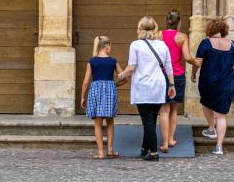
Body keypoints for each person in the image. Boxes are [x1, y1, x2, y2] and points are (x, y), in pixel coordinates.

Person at [119, 16, 176, 161]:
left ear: (140, 29)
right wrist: (172, 85)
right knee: (150, 120)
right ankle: (145, 149)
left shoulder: (136, 45)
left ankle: (154, 152)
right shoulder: (162, 45)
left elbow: (131, 68)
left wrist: (121, 75)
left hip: (143, 87)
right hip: (159, 86)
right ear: (155, 28)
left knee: (148, 121)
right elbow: (169, 67)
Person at [191, 17, 234, 156]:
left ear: (209, 30)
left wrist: (193, 74)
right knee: (221, 116)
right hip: (226, 83)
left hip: (208, 82)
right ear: (224, 30)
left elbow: (198, 62)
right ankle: (218, 147)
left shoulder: (206, 43)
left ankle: (211, 128)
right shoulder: (233, 44)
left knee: (205, 103)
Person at [158, 9, 198, 153]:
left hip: (162, 75)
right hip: (177, 75)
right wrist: (195, 63)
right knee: (174, 109)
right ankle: (170, 139)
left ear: (167, 21)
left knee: (164, 108)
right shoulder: (182, 37)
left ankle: (164, 142)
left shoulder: (158, 35)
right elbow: (187, 57)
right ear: (179, 22)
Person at [81, 35, 126, 159]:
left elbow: (86, 81)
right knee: (110, 121)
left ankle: (101, 152)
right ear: (106, 46)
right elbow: (124, 78)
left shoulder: (92, 61)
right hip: (110, 90)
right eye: (110, 46)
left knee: (98, 123)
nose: (111, 48)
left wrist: (82, 97)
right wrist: (114, 85)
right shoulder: (113, 61)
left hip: (95, 90)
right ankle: (110, 150)